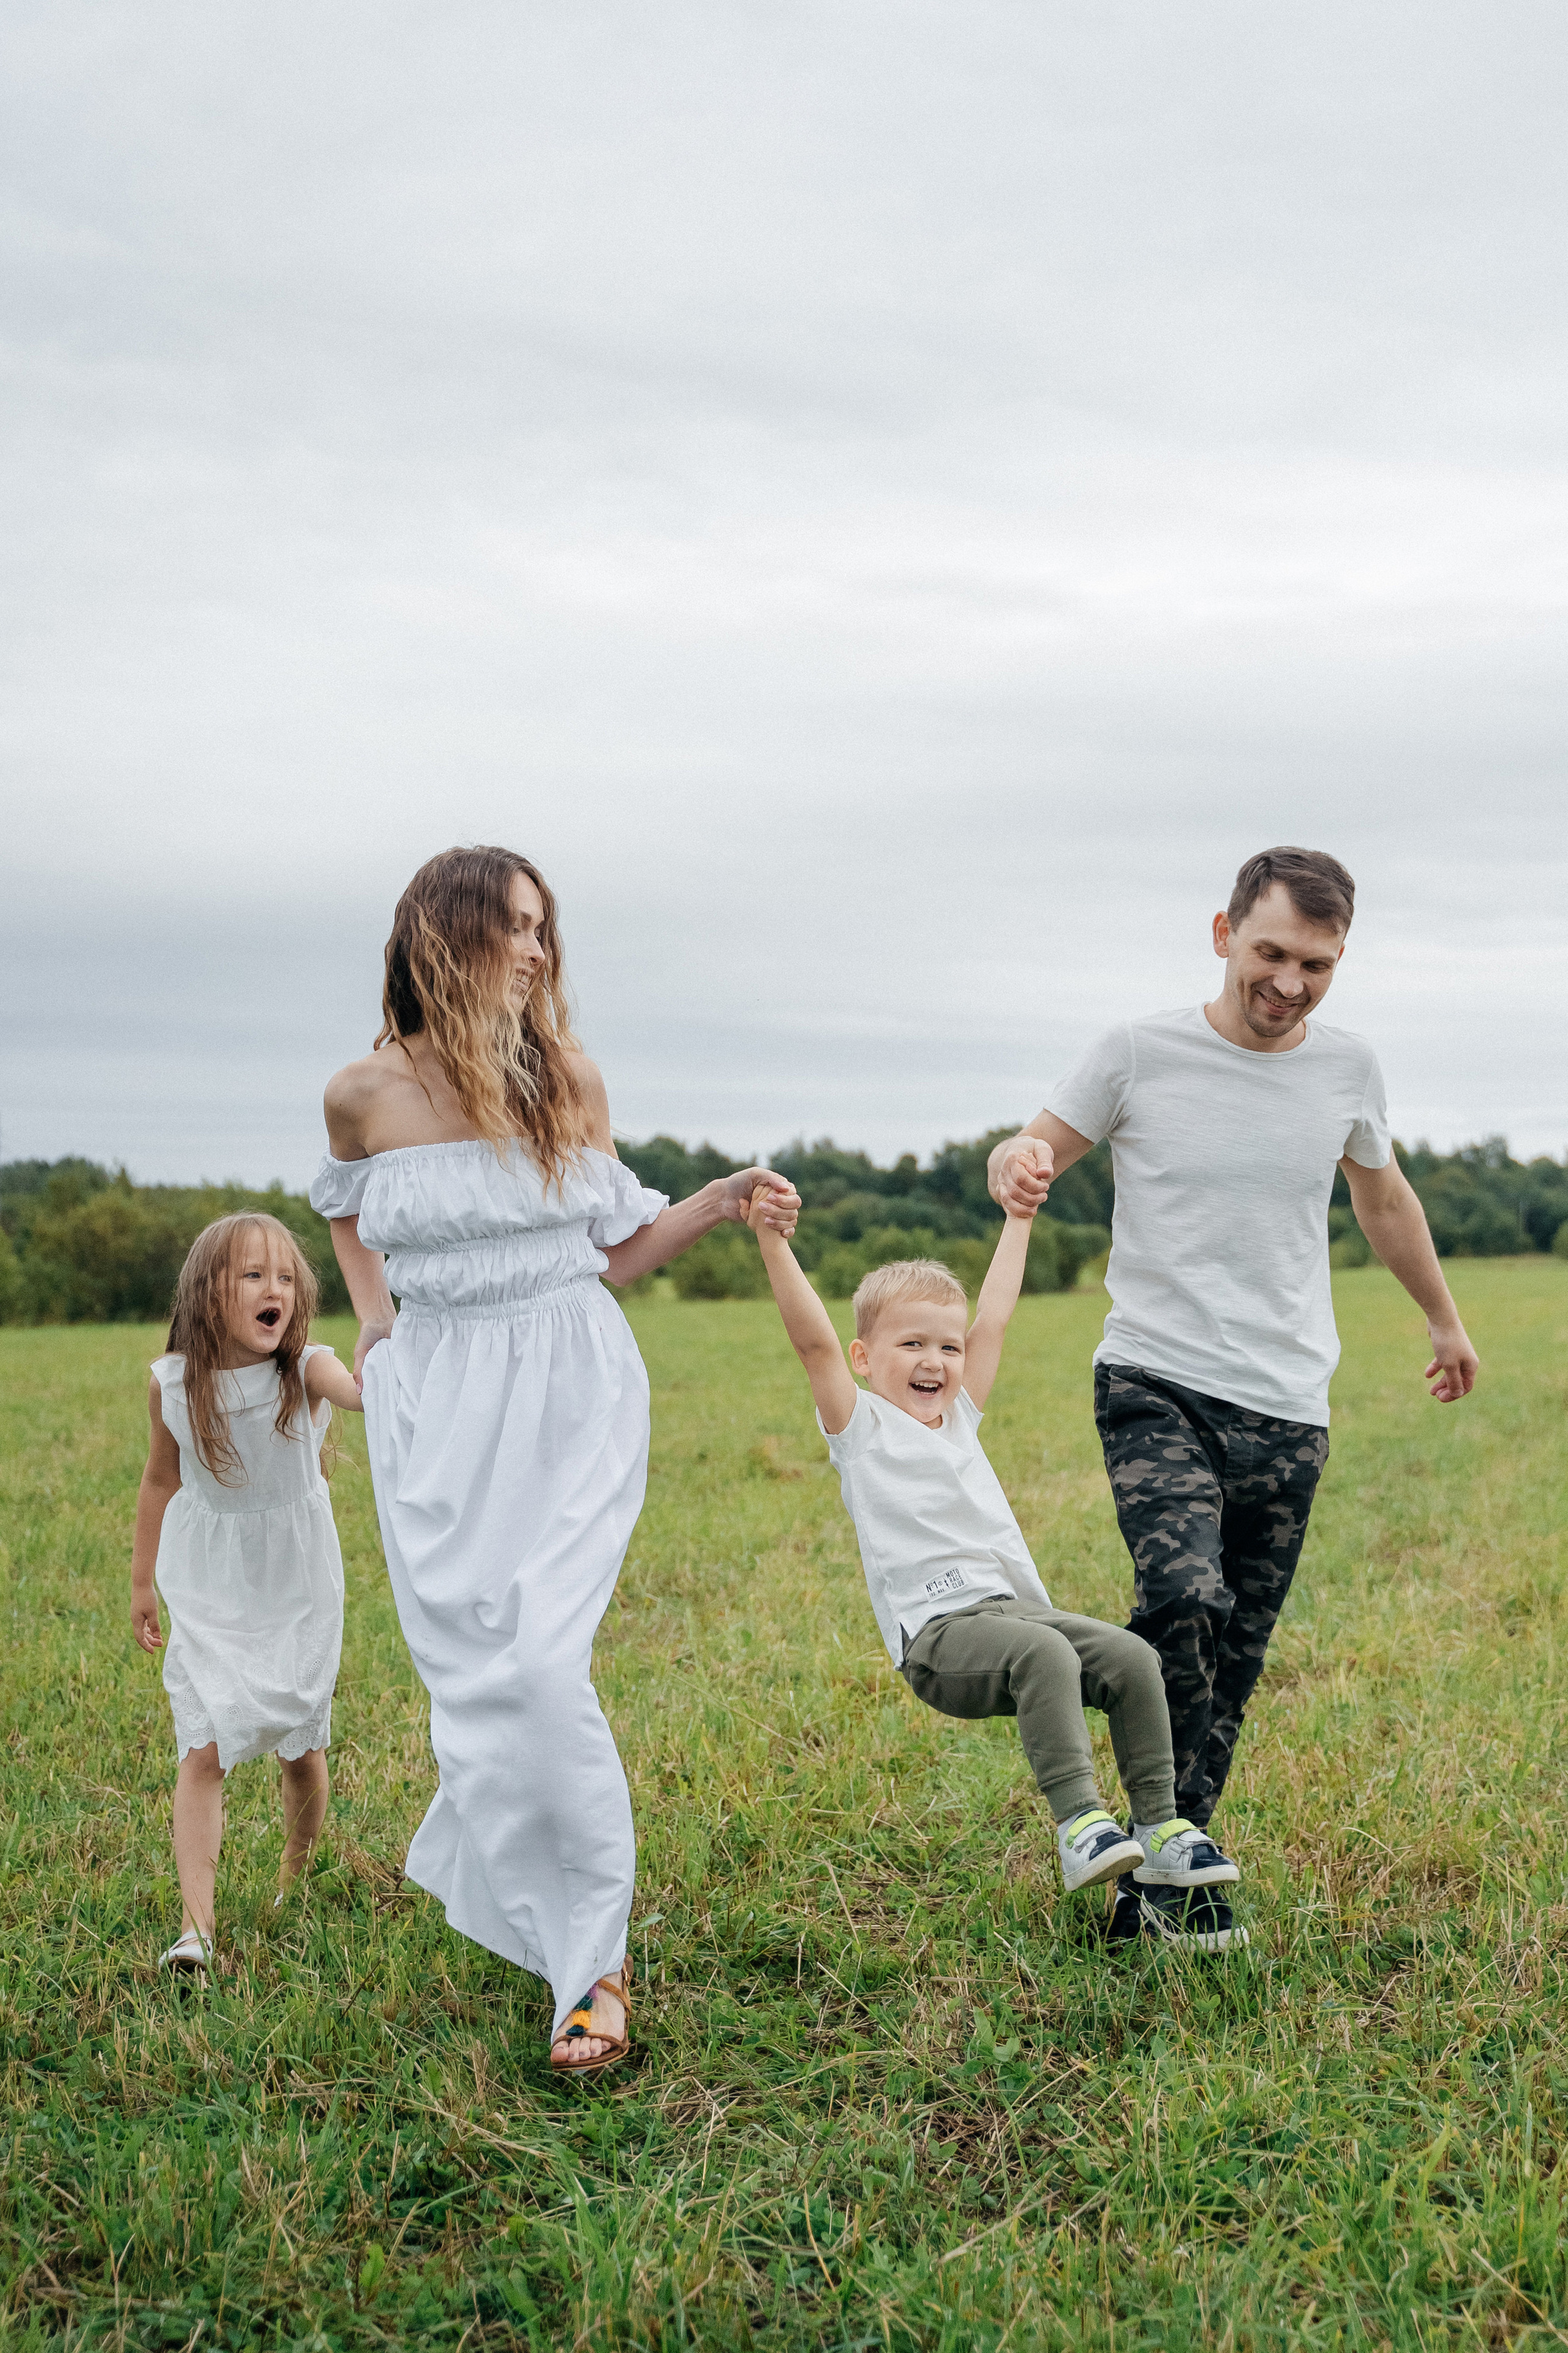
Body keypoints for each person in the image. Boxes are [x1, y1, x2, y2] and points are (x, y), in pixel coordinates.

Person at [312, 844, 799, 2074]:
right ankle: (537, 1904)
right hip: (436, 1406)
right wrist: (374, 1324)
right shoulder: (361, 1095)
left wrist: (722, 1197)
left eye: (544, 928)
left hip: (570, 1389)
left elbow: (616, 1253)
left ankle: (593, 1967)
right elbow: (343, 1211)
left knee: (537, 1663)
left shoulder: (563, 1081)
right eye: (515, 927)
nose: (537, 949)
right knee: (474, 1685)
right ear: (445, 933)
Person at [987, 845, 1479, 1947]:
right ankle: (1131, 1820)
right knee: (1183, 1601)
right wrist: (1015, 1162)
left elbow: (1384, 1197)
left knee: (1237, 1653)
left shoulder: (1348, 1069)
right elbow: (1035, 1144)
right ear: (1223, 934)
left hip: (1290, 1405)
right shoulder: (1137, 1051)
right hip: (1157, 1381)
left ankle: (1163, 1876)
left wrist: (1444, 1318)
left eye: (1319, 963)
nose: (1291, 983)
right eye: (1271, 953)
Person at [744, 1184, 1246, 1944]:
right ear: (864, 1358)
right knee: (1043, 1650)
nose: (934, 1361)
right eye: (911, 1344)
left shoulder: (960, 1419)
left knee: (1133, 1657)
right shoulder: (859, 1425)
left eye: (946, 1347)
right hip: (939, 1637)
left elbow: (995, 1317)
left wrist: (1019, 1219)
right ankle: (1082, 1823)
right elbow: (811, 1340)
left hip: (1015, 1615)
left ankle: (1163, 1828)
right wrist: (772, 1239)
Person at [130, 1213, 363, 1973]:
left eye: (287, 1278)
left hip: (296, 1581)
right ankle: (196, 1927)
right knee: (204, 1749)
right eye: (255, 1276)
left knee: (301, 1746)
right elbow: (161, 1481)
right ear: (207, 1294)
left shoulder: (305, 1370)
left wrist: (391, 1347)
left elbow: (358, 1394)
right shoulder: (175, 1384)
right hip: (211, 1581)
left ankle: (296, 1867)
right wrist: (143, 1583)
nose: (276, 1290)